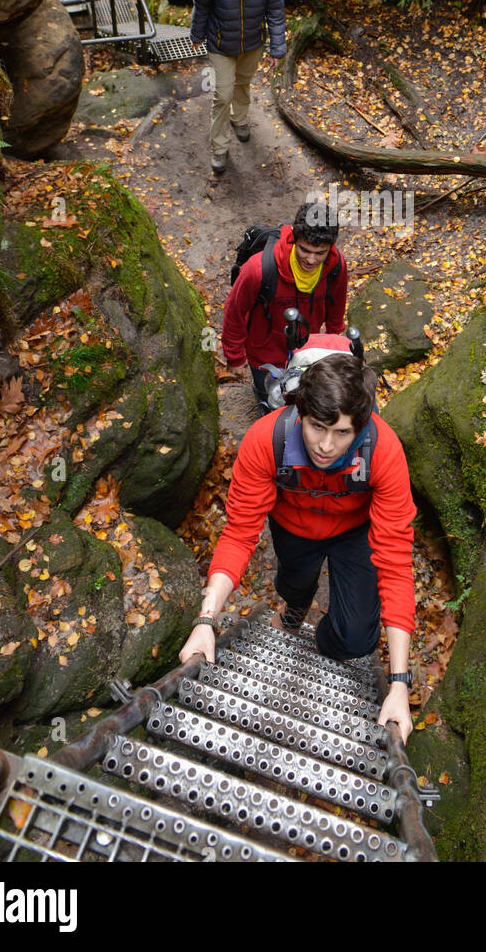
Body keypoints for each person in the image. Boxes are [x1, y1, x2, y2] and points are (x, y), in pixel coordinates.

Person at [179, 354, 415, 743]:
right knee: (295, 581)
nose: (326, 446)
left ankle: (324, 636)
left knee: (357, 638)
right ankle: (294, 608)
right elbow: (239, 533)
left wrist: (399, 684)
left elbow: (394, 562)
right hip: (293, 526)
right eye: (317, 427)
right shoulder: (265, 439)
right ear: (300, 412)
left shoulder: (384, 452)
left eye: (342, 433)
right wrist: (206, 622)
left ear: (362, 424)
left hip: (354, 532)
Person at [222, 202, 348, 415]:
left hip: (306, 350)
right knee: (270, 402)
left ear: (331, 247)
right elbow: (234, 311)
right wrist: (234, 357)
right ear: (293, 239)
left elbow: (336, 305)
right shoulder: (259, 268)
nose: (310, 259)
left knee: (302, 400)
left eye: (320, 253)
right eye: (304, 250)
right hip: (264, 353)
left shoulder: (336, 266)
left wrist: (333, 343)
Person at [189, 0, 287, 176]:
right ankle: (219, 147)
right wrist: (196, 34)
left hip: (252, 45)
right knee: (222, 94)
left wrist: (277, 48)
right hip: (221, 45)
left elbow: (275, 13)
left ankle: (240, 119)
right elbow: (202, 7)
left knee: (243, 84)